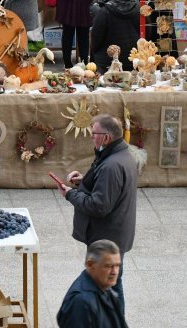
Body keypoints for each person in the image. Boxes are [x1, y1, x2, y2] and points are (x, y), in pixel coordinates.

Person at [55, 113, 139, 312]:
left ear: (107, 137)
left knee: (106, 285)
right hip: (115, 233)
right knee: (110, 284)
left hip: (107, 238)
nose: (91, 137)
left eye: (94, 133)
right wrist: (83, 181)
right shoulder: (121, 156)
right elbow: (110, 188)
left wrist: (70, 195)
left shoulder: (111, 165)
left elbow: (98, 206)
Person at [57, 240, 128, 328]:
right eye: (108, 266)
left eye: (117, 265)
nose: (115, 272)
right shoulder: (81, 303)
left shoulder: (105, 287)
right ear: (90, 265)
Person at [90, 0, 139, 73]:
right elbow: (146, 35)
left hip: (108, 63)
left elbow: (96, 39)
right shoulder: (140, 10)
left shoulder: (105, 11)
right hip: (135, 61)